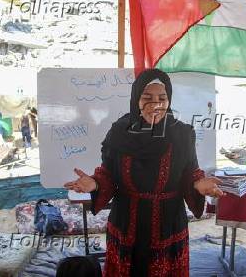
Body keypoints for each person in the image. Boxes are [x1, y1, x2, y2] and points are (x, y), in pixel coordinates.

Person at [64, 69, 223, 276]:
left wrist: (198, 184)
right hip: (126, 220)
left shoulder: (182, 134)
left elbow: (191, 172)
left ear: (169, 100)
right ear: (136, 99)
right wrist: (94, 183)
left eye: (162, 98)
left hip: (168, 222)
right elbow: (108, 173)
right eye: (147, 98)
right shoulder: (119, 132)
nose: (155, 105)